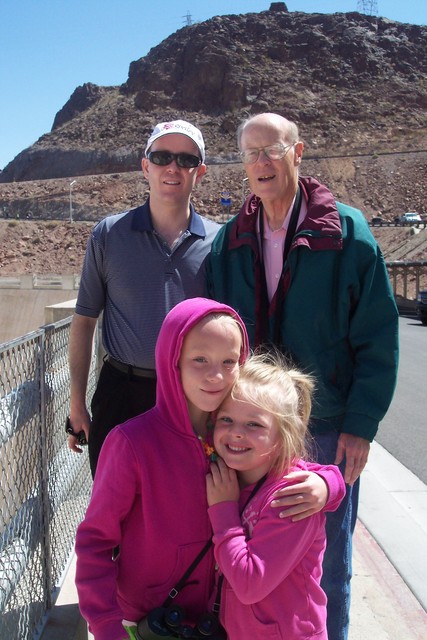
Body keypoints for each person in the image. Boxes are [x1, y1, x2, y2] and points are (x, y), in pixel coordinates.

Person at [206, 112, 400, 640]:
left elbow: (377, 335)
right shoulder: (231, 240)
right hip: (250, 426)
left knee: (328, 562)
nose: (261, 162)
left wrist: (361, 424)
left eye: (273, 149)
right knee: (247, 551)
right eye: (250, 153)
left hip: (327, 427)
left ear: (298, 152)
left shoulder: (347, 233)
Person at [75, 297, 346, 640]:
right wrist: (104, 626)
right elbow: (95, 542)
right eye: (199, 359)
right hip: (148, 619)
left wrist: (327, 484)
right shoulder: (132, 443)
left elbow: (288, 463)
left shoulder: (230, 434)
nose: (215, 374)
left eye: (229, 361)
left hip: (211, 623)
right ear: (172, 360)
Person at [67, 119, 219, 477]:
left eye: (186, 160)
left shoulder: (219, 242)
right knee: (114, 511)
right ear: (145, 166)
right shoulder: (108, 234)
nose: (173, 167)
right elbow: (85, 319)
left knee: (182, 510)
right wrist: (77, 402)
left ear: (200, 172)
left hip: (190, 398)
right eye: (163, 156)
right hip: (121, 392)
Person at [206, 351, 346, 639]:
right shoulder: (226, 473)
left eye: (254, 424)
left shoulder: (293, 496)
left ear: (283, 436)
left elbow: (249, 585)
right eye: (226, 419)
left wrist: (223, 510)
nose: (236, 433)